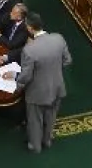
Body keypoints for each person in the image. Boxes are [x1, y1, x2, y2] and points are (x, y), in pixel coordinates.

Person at [18, 12, 70, 154]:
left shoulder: (29, 50)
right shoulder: (59, 38)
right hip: (57, 87)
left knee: (35, 121)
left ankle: (35, 146)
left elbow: (26, 76)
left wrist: (18, 86)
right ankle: (47, 140)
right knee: (51, 116)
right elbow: (67, 60)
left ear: (30, 28)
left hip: (37, 93)